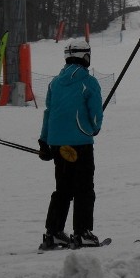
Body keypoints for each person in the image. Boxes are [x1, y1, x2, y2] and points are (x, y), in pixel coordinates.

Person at [38, 41, 104, 249]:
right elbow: (95, 113)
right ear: (85, 57)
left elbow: (48, 112)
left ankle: (54, 232)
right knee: (84, 188)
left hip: (58, 144)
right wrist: (94, 127)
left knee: (63, 189)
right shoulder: (89, 82)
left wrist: (44, 141)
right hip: (81, 143)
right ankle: (82, 232)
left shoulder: (55, 83)